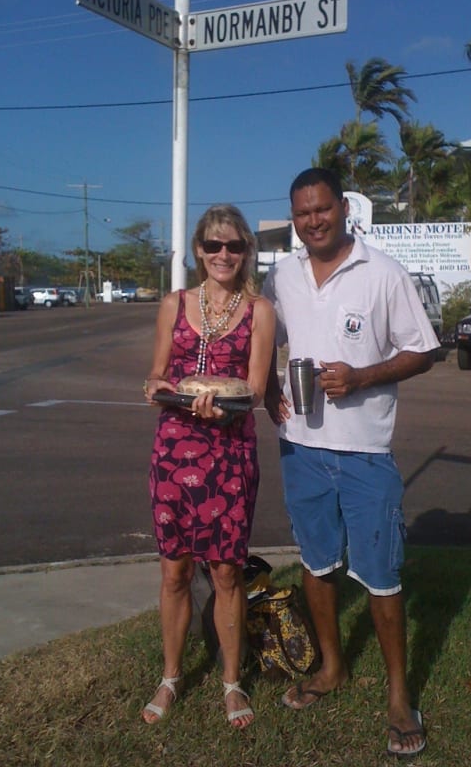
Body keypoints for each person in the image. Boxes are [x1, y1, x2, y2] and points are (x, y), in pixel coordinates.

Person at [263, 168, 439, 756]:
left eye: (321, 209)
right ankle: (332, 667)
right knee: (316, 563)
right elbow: (261, 339)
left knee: (382, 575)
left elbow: (424, 351)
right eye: (301, 213)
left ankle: (397, 694)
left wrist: (363, 376)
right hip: (301, 447)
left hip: (365, 450)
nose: (313, 221)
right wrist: (266, 390)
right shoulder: (281, 277)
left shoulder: (383, 273)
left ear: (342, 209)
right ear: (294, 219)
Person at [142, 204, 275, 729]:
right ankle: (171, 675)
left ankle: (231, 680)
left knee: (225, 571)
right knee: (175, 569)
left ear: (246, 252)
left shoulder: (259, 310)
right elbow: (156, 374)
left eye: (234, 246)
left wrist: (225, 407)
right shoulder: (173, 304)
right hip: (174, 450)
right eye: (214, 245)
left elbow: (257, 389)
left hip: (231, 452)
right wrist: (157, 389)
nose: (224, 255)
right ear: (199, 250)